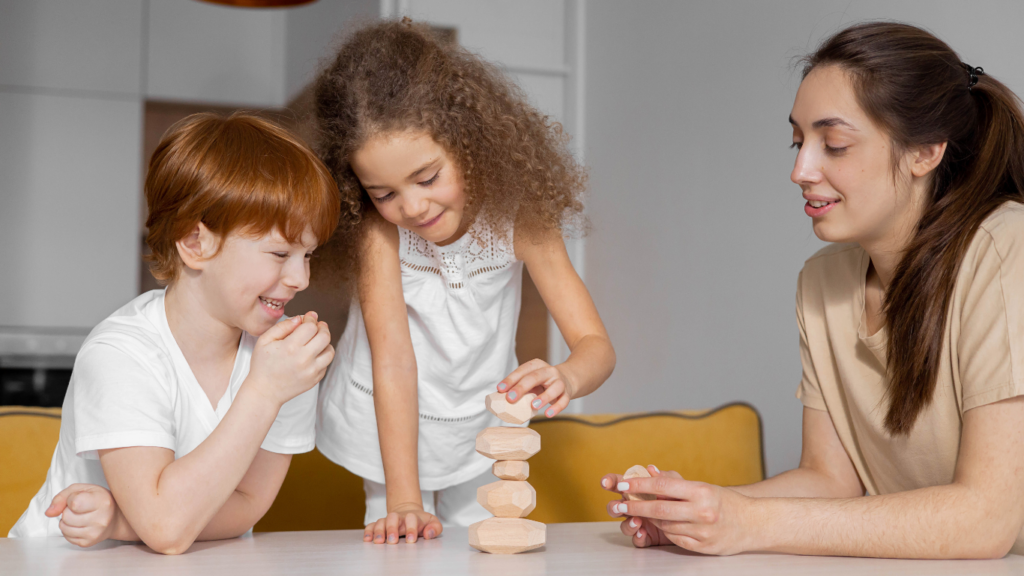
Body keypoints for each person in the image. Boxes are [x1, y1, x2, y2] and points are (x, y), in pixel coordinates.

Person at [604, 21, 1024, 559]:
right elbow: (830, 480)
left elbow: (984, 522)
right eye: (799, 141)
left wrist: (748, 521)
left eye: (835, 144)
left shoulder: (1004, 249)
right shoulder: (822, 281)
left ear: (925, 153)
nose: (800, 169)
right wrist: (698, 514)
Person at [314, 19, 616, 545]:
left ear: (471, 144)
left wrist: (568, 377)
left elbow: (595, 346)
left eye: (427, 178)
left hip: (478, 422)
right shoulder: (380, 235)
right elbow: (393, 360)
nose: (410, 207)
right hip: (388, 423)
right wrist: (404, 500)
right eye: (383, 193)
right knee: (401, 545)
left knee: (483, 546)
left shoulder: (520, 219)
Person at [8, 112, 340, 555]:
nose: (300, 277)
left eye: (308, 254)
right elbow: (166, 528)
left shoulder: (283, 359)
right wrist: (264, 392)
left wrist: (124, 522)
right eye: (279, 253)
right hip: (57, 562)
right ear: (195, 243)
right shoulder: (121, 354)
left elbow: (247, 504)